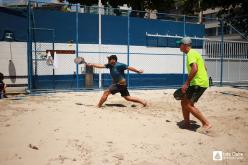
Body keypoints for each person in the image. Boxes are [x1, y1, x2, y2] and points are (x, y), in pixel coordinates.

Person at [176, 37, 212, 130]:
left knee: (188, 104)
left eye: (180, 44)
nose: (179, 46)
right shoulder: (195, 53)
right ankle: (187, 123)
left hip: (198, 83)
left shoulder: (190, 54)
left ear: (185, 45)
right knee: (184, 102)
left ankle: (206, 123)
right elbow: (205, 67)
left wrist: (187, 83)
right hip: (199, 81)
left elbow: (195, 68)